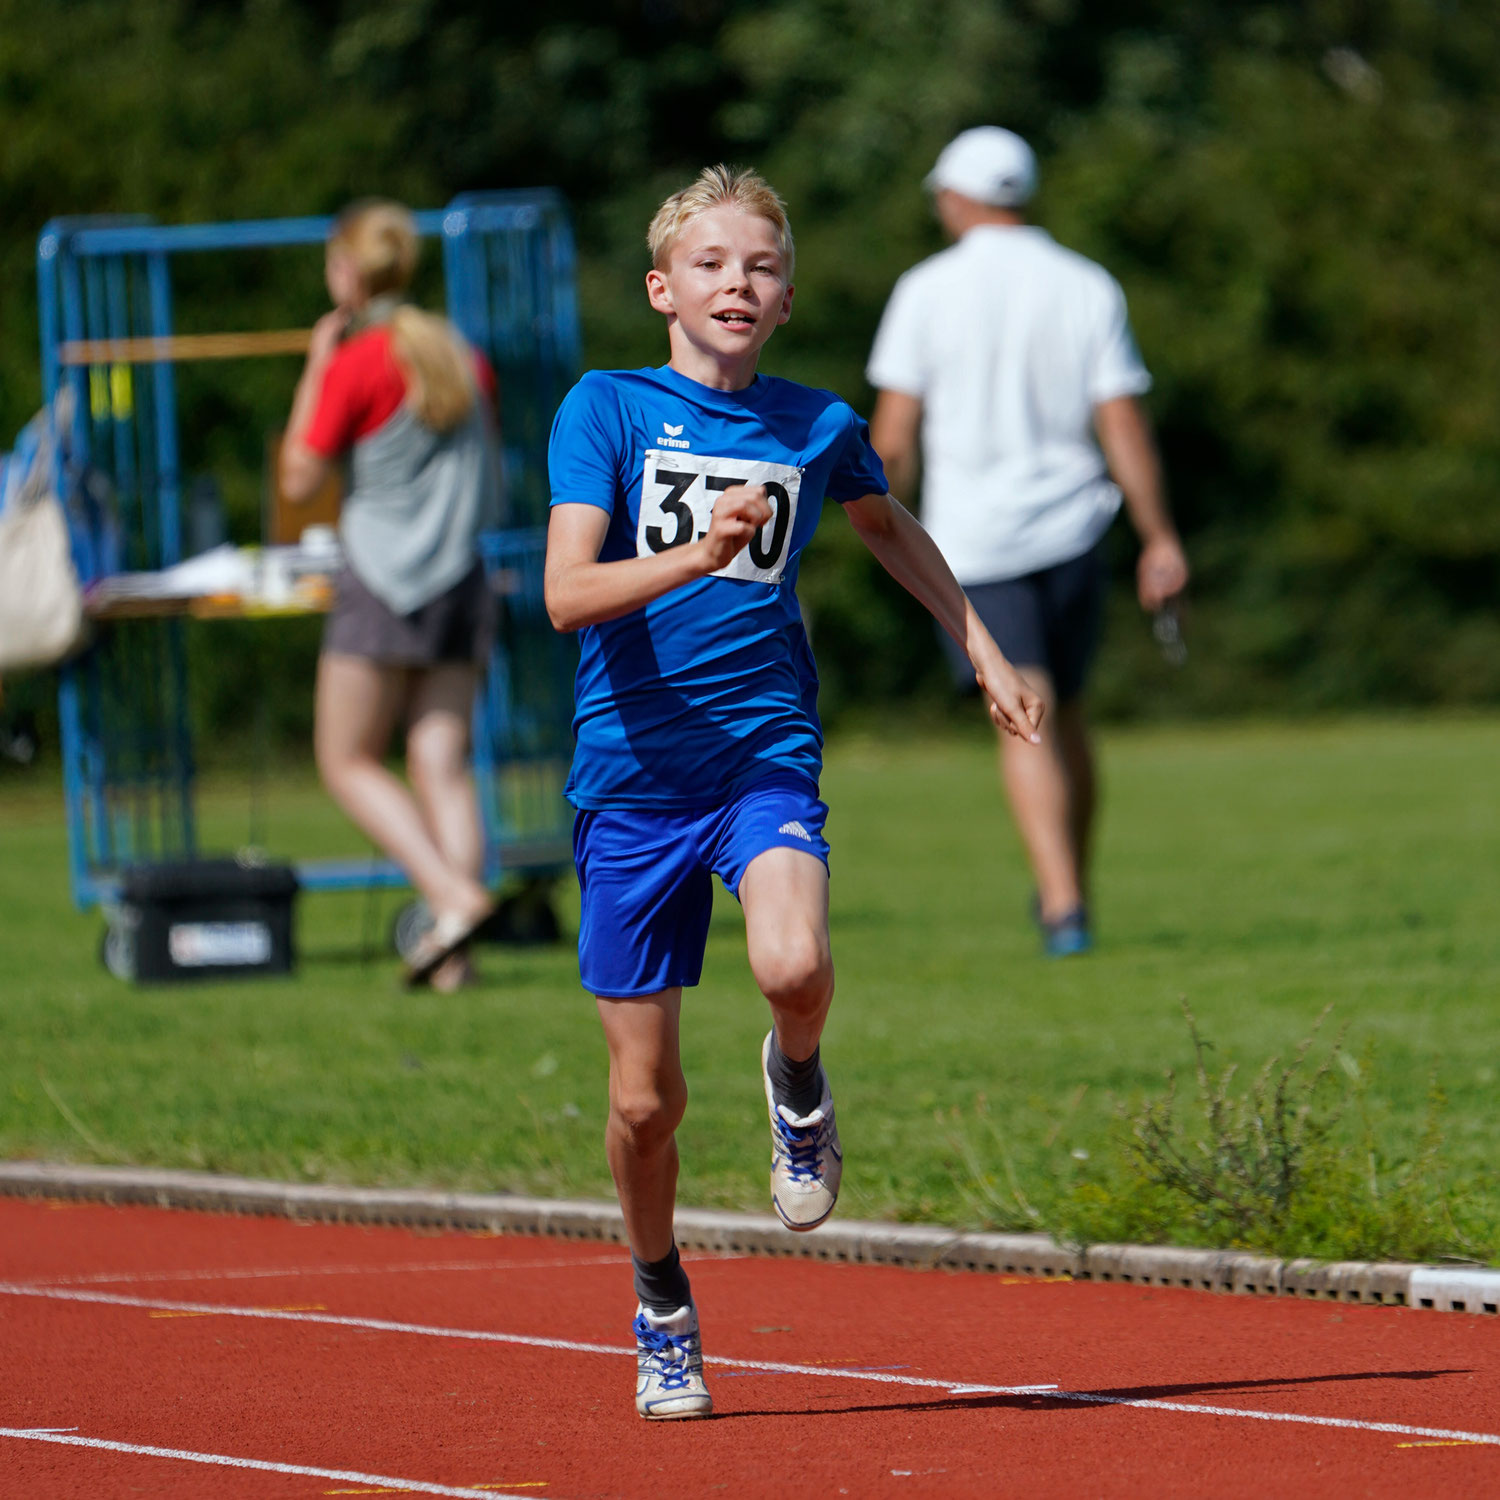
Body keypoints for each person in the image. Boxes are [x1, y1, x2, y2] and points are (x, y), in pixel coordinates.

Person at [545, 165, 1044, 1419]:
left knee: (792, 964)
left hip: (762, 757)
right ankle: (661, 1300)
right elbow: (564, 597)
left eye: (761, 267)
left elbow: (888, 527)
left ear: (785, 299)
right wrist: (692, 555)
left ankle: (800, 1083)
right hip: (631, 783)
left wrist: (979, 641)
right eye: (712, 264)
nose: (737, 284)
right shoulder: (604, 408)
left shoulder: (816, 425)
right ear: (664, 288)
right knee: (642, 1100)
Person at [867, 127, 1189, 957]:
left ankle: (1061, 903)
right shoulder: (1085, 283)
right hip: (1076, 527)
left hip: (974, 538)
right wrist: (1158, 536)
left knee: (1024, 715)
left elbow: (893, 435)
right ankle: (1070, 890)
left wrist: (868, 517)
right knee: (1069, 713)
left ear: (958, 197)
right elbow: (1119, 418)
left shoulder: (925, 290)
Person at [280, 199, 503, 991]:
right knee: (441, 762)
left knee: (344, 760)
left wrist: (316, 362)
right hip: (462, 576)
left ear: (347, 272)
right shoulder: (459, 354)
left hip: (381, 579)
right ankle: (455, 959)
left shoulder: (358, 359)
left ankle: (451, 897)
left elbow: (300, 477)